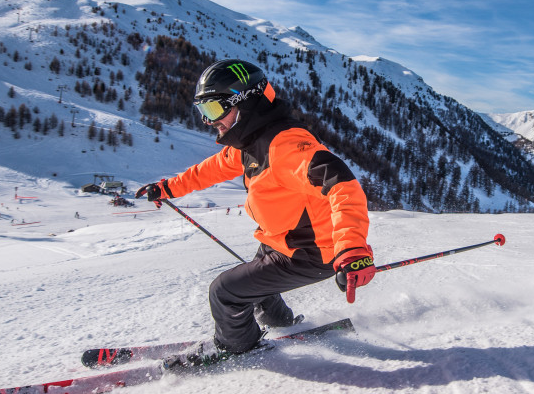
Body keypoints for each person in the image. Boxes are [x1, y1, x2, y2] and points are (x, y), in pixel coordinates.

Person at [135, 59, 374, 367]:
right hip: (282, 242)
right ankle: (285, 324)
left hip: (314, 252)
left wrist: (352, 247)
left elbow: (343, 185)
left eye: (213, 110)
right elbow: (211, 169)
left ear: (244, 104)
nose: (209, 122)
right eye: (203, 112)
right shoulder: (251, 142)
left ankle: (236, 348)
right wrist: (168, 188)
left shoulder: (285, 146)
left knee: (225, 292)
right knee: (253, 282)